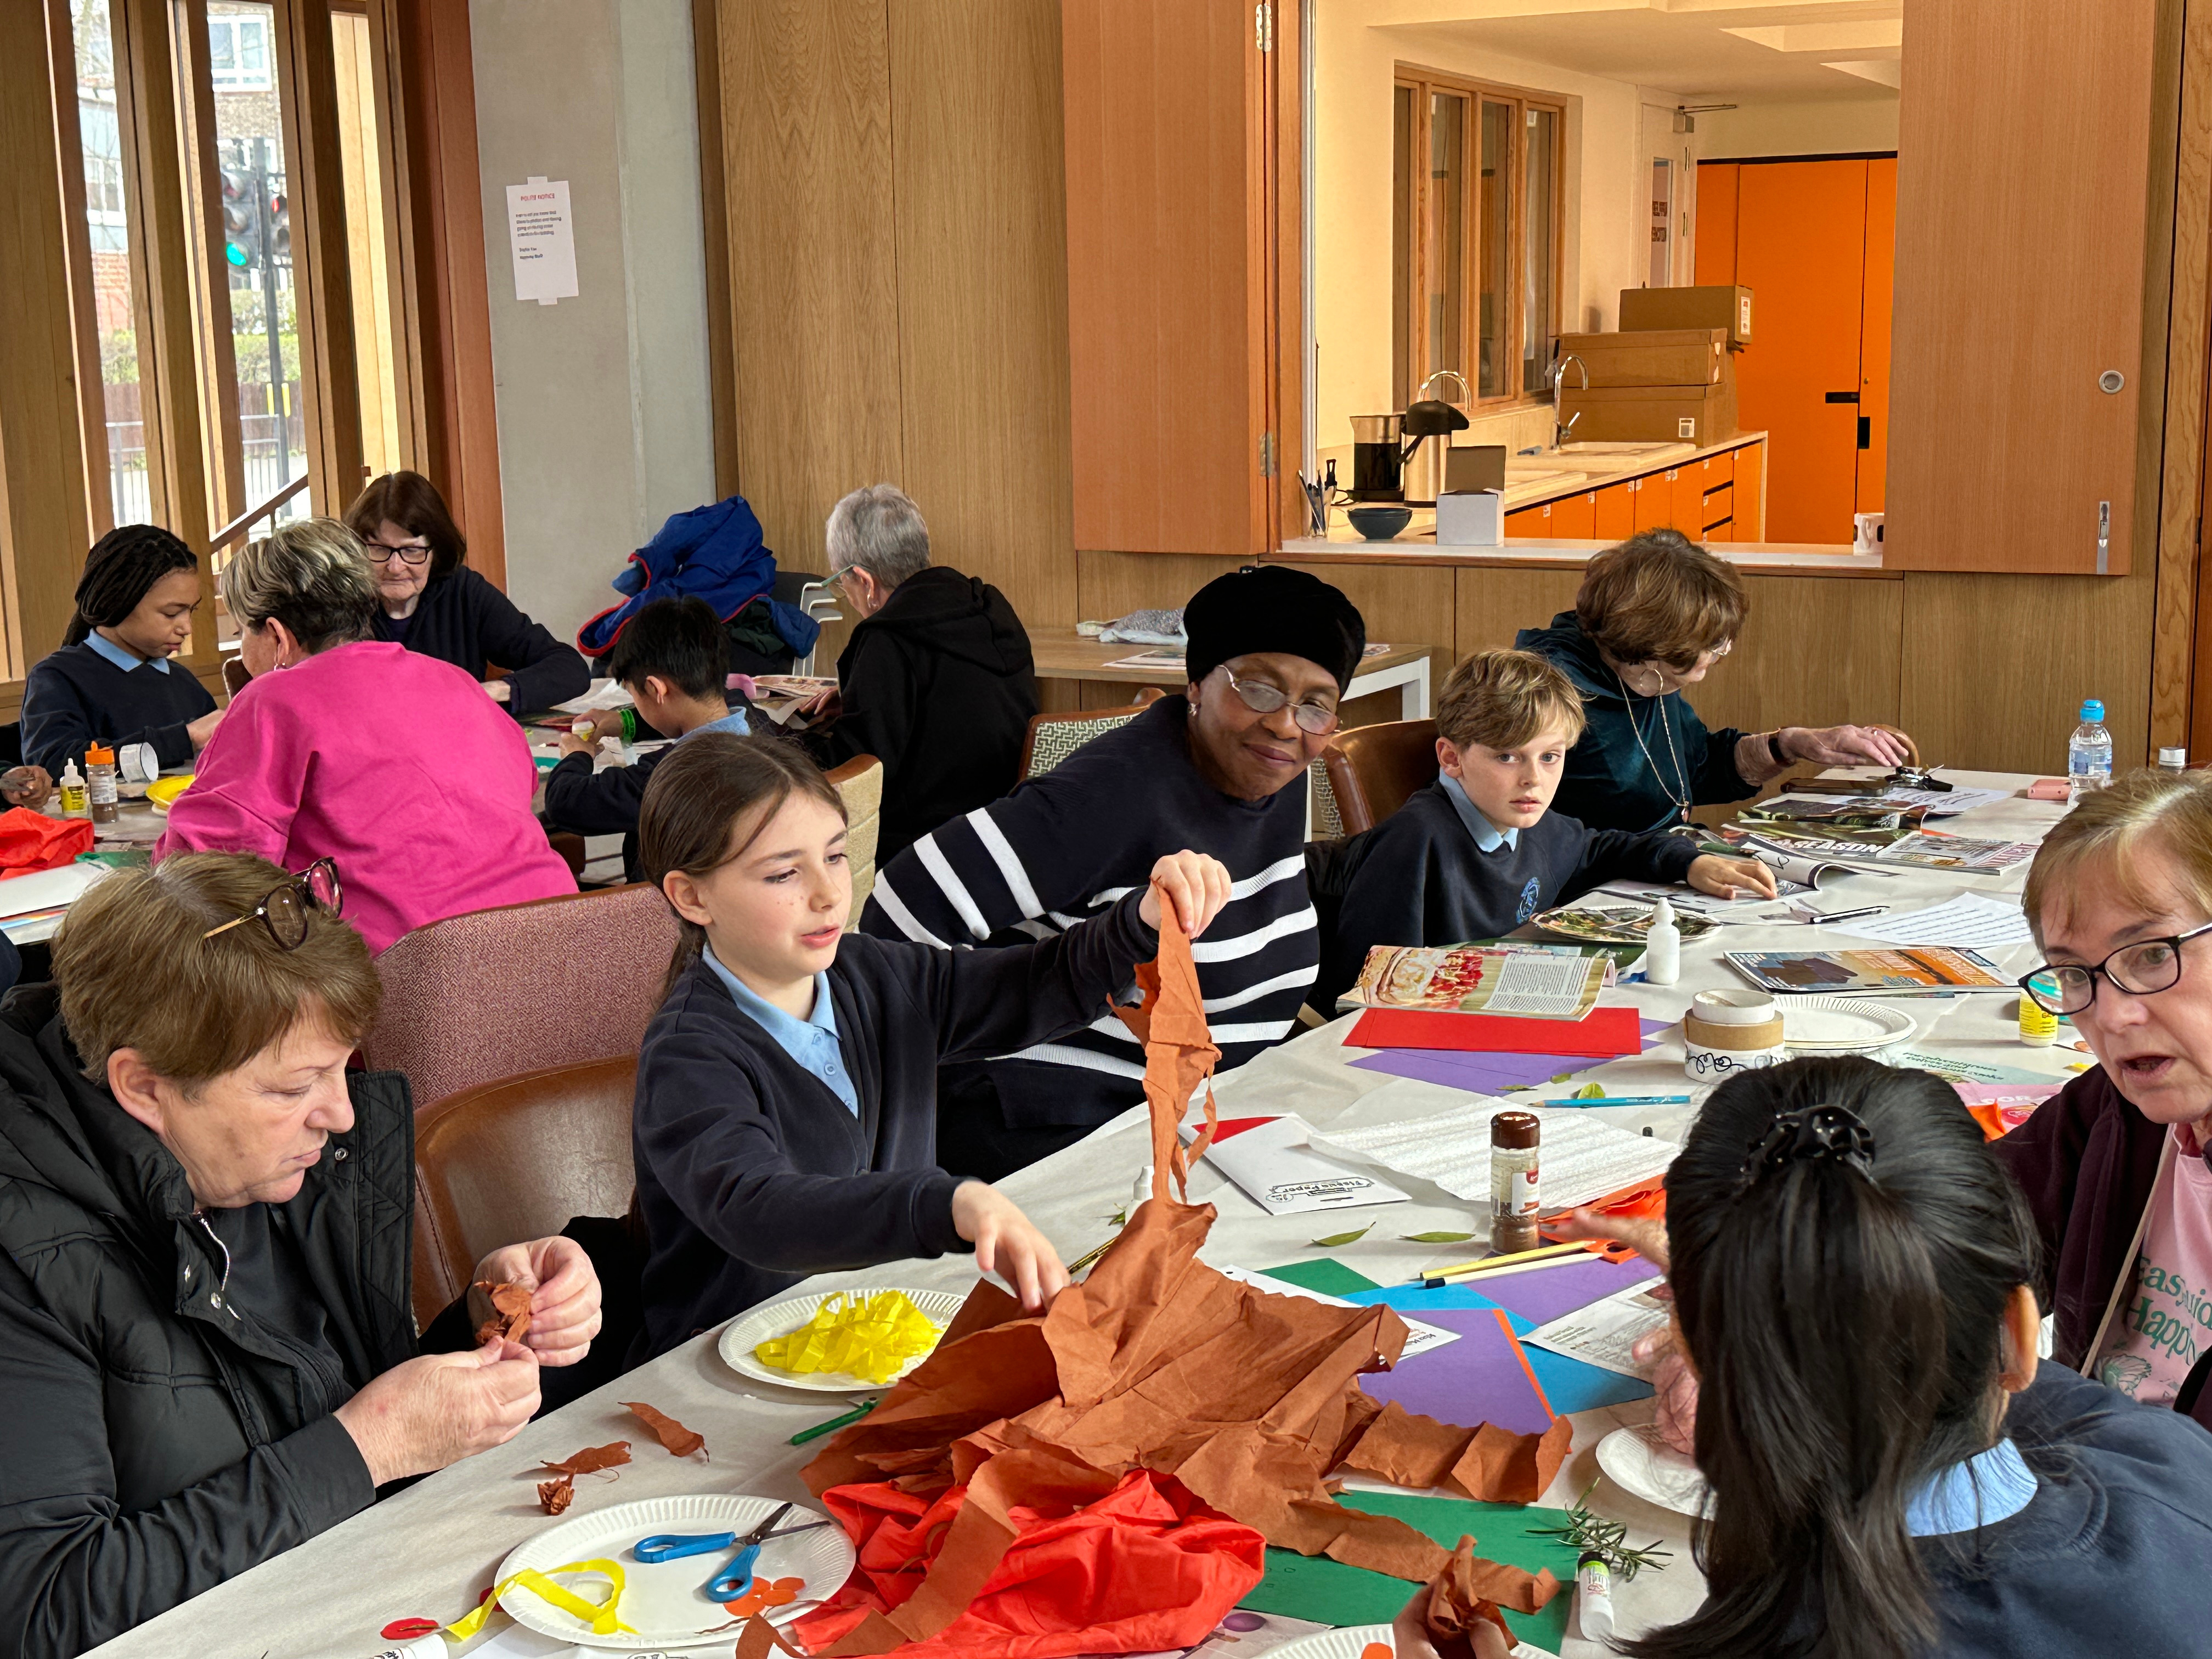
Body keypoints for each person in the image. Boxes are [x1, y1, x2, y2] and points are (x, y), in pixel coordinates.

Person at [0, 853, 603, 1659]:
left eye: (340, 1070)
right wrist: (371, 1447)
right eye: (293, 1088)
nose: (344, 1116)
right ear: (143, 1087)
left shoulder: (275, 1172)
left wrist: (483, 1326)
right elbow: (41, 1611)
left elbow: (317, 1417)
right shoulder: (23, 1250)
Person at [1573, 1056, 2212, 1659]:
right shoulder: (2175, 1472)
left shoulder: (1780, 1618)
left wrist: (1742, 1308)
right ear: (2018, 1333)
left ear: (1706, 1355)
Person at [628, 733, 1231, 1358]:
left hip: (881, 1335)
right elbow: (758, 1207)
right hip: (724, 1365)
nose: (829, 894)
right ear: (692, 896)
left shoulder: (874, 974)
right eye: (784, 873)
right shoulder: (688, 1054)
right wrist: (949, 1202)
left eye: (835, 857)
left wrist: (1139, 922)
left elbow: (1025, 987)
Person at [864, 565, 1362, 1180]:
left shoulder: (1276, 778)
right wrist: (902, 1101)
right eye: (1259, 689)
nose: (1287, 724)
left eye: (1317, 706)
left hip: (1194, 1119)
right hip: (1050, 1131)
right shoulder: (1112, 794)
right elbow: (898, 910)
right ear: (1198, 684)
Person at [154, 519, 575, 953]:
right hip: (559, 943)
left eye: (243, 630)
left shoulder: (275, 699)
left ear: (277, 635)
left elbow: (200, 871)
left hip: (421, 976)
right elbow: (517, 785)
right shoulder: (454, 680)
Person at [1312, 649, 1776, 1013]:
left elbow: (1598, 849)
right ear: (1451, 759)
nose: (1534, 778)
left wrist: (1689, 860)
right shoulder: (1417, 840)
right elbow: (1365, 990)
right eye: (1507, 757)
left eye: (1550, 756)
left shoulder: (1527, 822)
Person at [1999, 766, 2212, 1425]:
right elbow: (1963, 1226)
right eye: (2074, 973)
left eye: (2151, 955)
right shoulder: (2124, 1112)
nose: (2113, 1017)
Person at [1515, 531, 1914, 833]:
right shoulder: (1546, 692)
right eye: (1712, 645)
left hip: (1660, 872)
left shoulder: (1646, 676)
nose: (1719, 653)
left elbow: (1694, 771)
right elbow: (1536, 838)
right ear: (1653, 643)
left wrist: (1788, 744)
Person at [794, 485, 1037, 862]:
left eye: (843, 582)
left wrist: (779, 739)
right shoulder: (988, 605)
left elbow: (860, 770)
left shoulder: (888, 639)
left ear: (866, 581)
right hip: (1005, 830)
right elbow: (950, 703)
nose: (848, 591)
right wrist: (864, 694)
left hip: (926, 851)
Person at [343, 470, 590, 717]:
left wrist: (487, 692)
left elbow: (569, 668)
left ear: (436, 551)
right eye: (377, 549)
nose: (396, 567)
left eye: (412, 551)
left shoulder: (463, 592)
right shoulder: (338, 602)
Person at [544, 596, 755, 882]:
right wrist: (627, 721)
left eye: (634, 696)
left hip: (661, 914)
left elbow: (566, 801)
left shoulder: (669, 776)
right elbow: (700, 711)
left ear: (656, 689)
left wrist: (577, 756)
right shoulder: (757, 728)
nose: (635, 703)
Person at [20, 523, 221, 783]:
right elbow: (55, 767)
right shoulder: (58, 678)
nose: (186, 628)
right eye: (171, 613)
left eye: (191, 611)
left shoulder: (184, 683)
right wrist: (184, 739)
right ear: (119, 601)